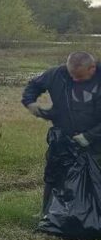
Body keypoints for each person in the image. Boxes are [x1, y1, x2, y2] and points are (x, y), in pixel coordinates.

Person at [21, 51, 101, 214]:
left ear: (92, 68)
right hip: (64, 136)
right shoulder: (57, 74)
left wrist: (89, 136)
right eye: (72, 75)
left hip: (96, 140)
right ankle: (48, 213)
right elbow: (33, 86)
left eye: (79, 77)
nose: (74, 80)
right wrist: (30, 102)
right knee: (55, 175)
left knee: (95, 176)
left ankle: (94, 215)